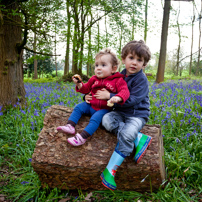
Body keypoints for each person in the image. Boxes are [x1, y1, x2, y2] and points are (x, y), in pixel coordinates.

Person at [86, 40, 152, 190]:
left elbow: (133, 100)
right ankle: (139, 138)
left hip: (136, 115)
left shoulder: (142, 80)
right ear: (123, 59)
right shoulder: (118, 76)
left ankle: (110, 170)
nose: (134, 63)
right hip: (120, 113)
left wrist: (112, 96)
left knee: (127, 132)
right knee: (106, 119)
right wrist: (87, 97)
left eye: (139, 60)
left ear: (144, 64)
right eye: (131, 58)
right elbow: (99, 87)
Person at [57, 48, 130, 146]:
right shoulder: (94, 79)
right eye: (96, 65)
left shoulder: (118, 80)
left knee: (95, 119)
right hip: (91, 105)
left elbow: (125, 91)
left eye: (103, 65)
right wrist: (79, 84)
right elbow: (86, 89)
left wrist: (118, 97)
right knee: (78, 107)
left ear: (113, 69)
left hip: (104, 109)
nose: (98, 68)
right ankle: (70, 126)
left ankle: (82, 137)